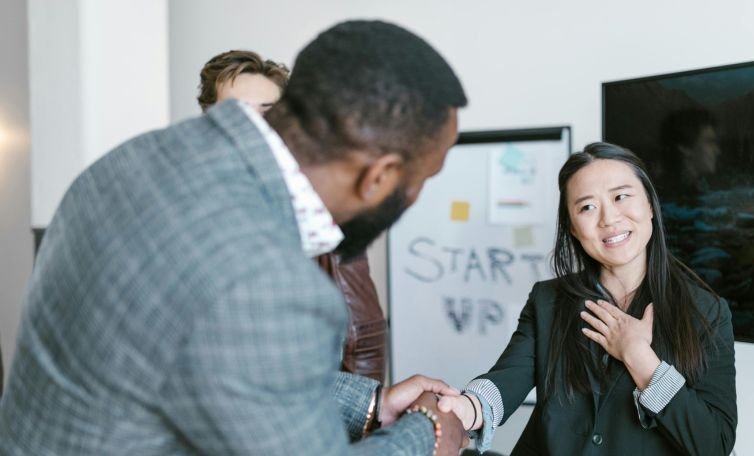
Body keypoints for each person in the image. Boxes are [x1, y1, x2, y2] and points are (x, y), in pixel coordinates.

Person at [0, 20, 469, 455]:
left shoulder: (138, 158)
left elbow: (219, 359)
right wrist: (426, 432)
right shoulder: (267, 280)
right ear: (380, 176)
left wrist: (374, 405)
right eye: (424, 178)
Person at [438, 142, 737, 455]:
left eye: (621, 196)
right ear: (573, 229)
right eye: (587, 207)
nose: (608, 219)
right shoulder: (548, 300)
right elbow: (505, 382)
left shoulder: (707, 312)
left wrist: (640, 358)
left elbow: (713, 443)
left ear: (650, 204)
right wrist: (466, 407)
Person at [198, 50, 388, 382]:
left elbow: (362, 335)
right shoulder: (188, 205)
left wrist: (363, 413)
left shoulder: (318, 204)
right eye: (236, 114)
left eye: (268, 114)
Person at [658, 108, 722, 198]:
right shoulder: (677, 196)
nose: (717, 151)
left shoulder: (666, 190)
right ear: (685, 148)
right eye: (709, 142)